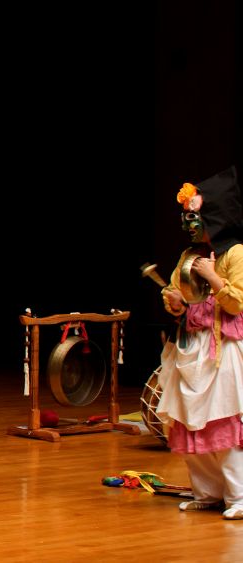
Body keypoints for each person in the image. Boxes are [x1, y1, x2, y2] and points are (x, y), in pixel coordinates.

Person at [157, 166, 243, 520]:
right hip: (192, 347)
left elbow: (237, 303)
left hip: (223, 349)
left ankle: (239, 496)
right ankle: (207, 492)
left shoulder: (235, 254)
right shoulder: (188, 255)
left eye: (195, 217)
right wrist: (175, 302)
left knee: (223, 420)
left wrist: (212, 277)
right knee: (192, 420)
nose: (189, 223)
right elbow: (174, 290)